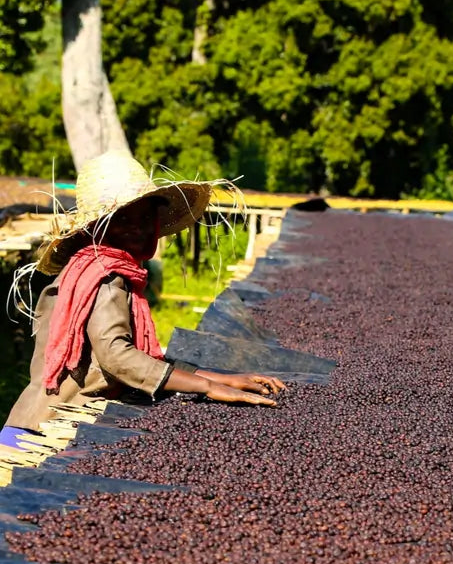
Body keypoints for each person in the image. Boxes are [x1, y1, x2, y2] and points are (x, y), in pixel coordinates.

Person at [1, 150, 284, 451]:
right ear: (97, 227)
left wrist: (221, 378)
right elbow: (117, 356)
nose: (137, 227)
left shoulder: (99, 267)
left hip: (36, 421)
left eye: (146, 217)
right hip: (44, 434)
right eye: (122, 219)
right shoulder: (105, 277)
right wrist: (207, 387)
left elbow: (141, 358)